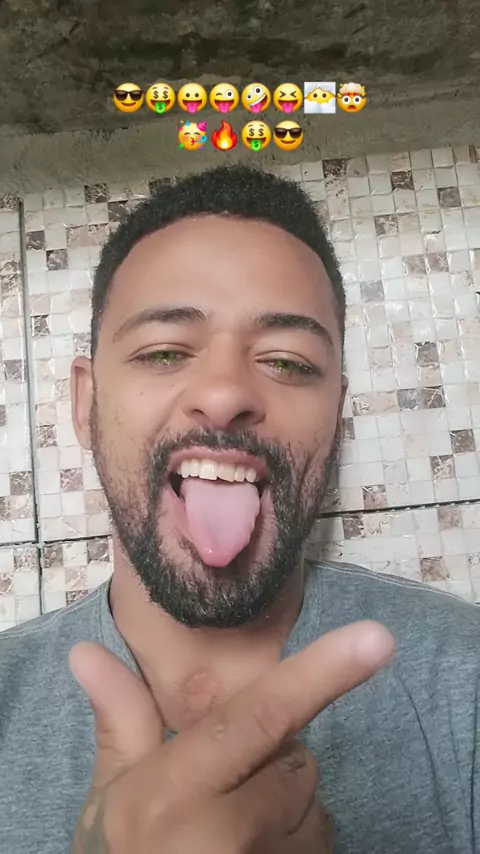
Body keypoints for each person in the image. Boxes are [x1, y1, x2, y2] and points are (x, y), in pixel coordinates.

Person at [0, 164, 478, 854]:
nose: (224, 394)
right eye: (164, 352)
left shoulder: (467, 684)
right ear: (86, 403)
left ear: (336, 413)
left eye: (288, 362)